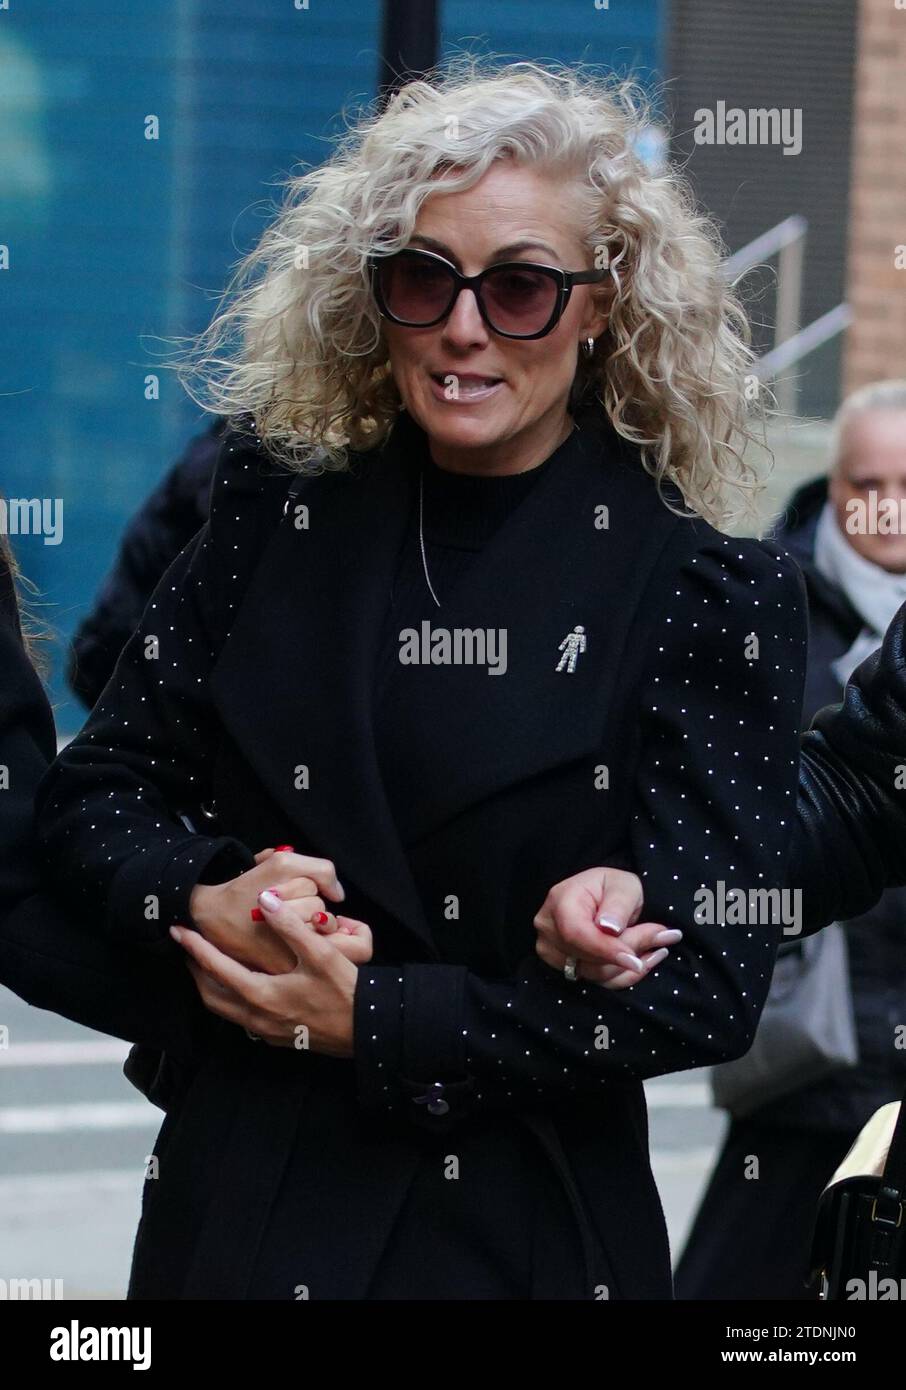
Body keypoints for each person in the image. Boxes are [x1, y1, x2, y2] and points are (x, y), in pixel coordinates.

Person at [31, 59, 806, 1301]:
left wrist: (386, 1022)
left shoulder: (708, 592)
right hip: (241, 1210)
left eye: (520, 289)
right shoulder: (263, 515)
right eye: (421, 278)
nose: (463, 327)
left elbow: (712, 985)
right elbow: (95, 793)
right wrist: (205, 886)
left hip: (517, 1232)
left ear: (600, 306)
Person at [675, 381, 906, 1300]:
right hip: (807, 1051)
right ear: (833, 487)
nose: (888, 507)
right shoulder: (763, 607)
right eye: (866, 482)